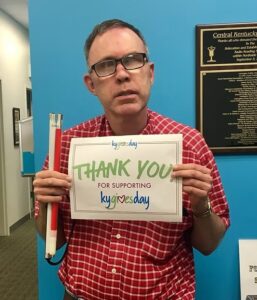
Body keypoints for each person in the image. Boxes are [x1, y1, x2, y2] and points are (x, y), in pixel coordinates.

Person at [33, 19, 230, 300]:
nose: (122, 74)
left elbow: (209, 244)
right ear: (91, 84)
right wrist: (43, 201)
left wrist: (201, 205)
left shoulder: (190, 145)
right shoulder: (66, 147)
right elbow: (56, 240)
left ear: (150, 73)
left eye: (133, 60)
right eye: (106, 65)